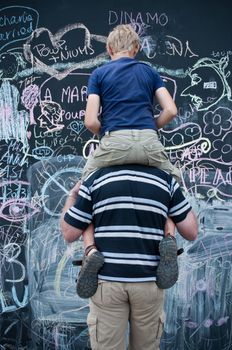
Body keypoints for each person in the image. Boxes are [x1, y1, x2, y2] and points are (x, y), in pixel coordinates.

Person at [76, 24, 182, 293]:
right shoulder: (149, 72)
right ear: (136, 49)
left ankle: (90, 251)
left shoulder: (99, 74)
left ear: (109, 49)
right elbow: (170, 110)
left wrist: (110, 131)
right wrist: (150, 127)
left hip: (113, 140)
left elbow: (90, 121)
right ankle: (168, 238)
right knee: (174, 183)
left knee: (83, 190)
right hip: (148, 140)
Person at [60, 164, 198, 350]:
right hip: (149, 280)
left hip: (107, 281)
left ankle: (91, 250)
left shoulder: (95, 179)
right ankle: (169, 237)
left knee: (86, 215)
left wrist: (73, 197)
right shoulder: (165, 181)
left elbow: (69, 233)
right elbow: (191, 232)